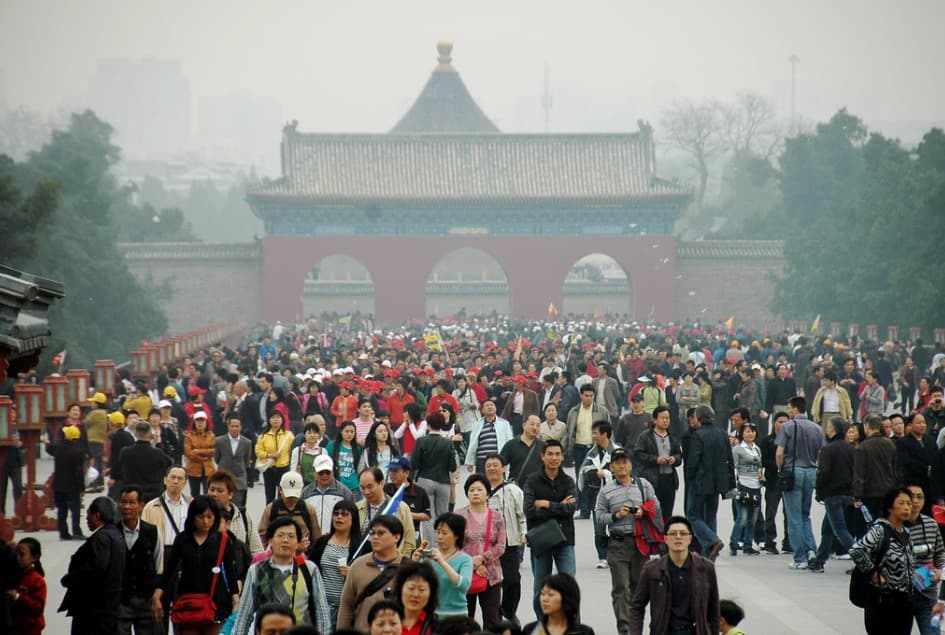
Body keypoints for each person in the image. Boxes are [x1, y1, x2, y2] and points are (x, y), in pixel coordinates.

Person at [151, 495, 241, 635]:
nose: (205, 521)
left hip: (215, 600)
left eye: (209, 517)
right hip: (188, 600)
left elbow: (231, 572)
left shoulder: (222, 541)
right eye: (200, 517)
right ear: (192, 517)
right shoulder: (182, 539)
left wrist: (235, 600)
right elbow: (169, 570)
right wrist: (157, 595)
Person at [594, 448, 659, 635]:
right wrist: (616, 515)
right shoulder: (606, 491)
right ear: (612, 467)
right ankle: (625, 629)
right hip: (618, 544)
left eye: (625, 462)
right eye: (617, 463)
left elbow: (656, 506)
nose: (622, 466)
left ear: (631, 465)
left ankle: (636, 625)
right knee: (621, 588)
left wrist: (642, 511)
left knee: (639, 589)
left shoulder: (643, 485)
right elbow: (598, 517)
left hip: (640, 543)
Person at [233, 516, 333, 634]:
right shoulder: (256, 570)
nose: (285, 540)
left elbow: (322, 613)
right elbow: (244, 615)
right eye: (280, 536)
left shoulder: (309, 569)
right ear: (270, 541)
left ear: (298, 542)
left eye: (291, 536)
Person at [628, 515, 720, 635]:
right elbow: (636, 607)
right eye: (673, 534)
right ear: (665, 539)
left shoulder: (705, 568)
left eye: (683, 533)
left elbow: (714, 608)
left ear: (690, 538)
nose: (678, 537)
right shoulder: (652, 569)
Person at [848, 487, 915, 635]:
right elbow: (857, 550)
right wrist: (872, 572)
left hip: (904, 601)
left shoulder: (906, 533)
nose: (907, 507)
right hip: (882, 600)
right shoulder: (880, 530)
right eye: (902, 503)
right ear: (890, 507)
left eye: (909, 504)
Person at [523, 440, 577, 618]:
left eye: (557, 454)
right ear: (542, 456)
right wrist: (558, 507)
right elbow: (529, 510)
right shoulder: (532, 480)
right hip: (541, 539)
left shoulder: (568, 481)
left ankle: (571, 626)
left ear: (562, 457)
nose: (554, 458)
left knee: (569, 585)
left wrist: (546, 504)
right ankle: (543, 624)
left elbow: (571, 509)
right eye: (550, 454)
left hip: (565, 538)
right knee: (541, 588)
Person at [59, 496, 126, 635]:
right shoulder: (116, 535)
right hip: (109, 608)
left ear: (97, 515)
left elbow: (97, 568)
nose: (87, 518)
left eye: (88, 514)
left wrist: (71, 579)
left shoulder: (101, 538)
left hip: (94, 610)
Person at [776, 396, 825, 569]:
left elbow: (780, 453)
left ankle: (799, 558)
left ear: (795, 409)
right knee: (805, 515)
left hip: (793, 471)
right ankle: (811, 550)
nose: (788, 411)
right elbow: (821, 452)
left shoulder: (787, 427)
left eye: (789, 408)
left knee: (794, 516)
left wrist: (780, 469)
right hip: (811, 471)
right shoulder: (817, 428)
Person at [337, 515, 406, 632]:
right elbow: (346, 605)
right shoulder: (358, 566)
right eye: (372, 533)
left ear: (396, 537)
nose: (375, 537)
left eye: (381, 533)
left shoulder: (407, 568)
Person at [457, 474, 506, 630]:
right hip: (464, 574)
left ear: (487, 493)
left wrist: (482, 559)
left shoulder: (497, 517)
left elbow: (500, 546)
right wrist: (473, 564)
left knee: (492, 619)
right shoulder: (458, 516)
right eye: (471, 490)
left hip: (491, 575)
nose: (475, 493)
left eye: (479, 489)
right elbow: (454, 545)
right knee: (465, 619)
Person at [684, 405, 732, 561]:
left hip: (700, 481)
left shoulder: (698, 435)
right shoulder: (722, 433)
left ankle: (712, 541)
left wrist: (689, 477)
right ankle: (709, 552)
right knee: (711, 514)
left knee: (693, 514)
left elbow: (693, 461)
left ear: (698, 418)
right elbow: (729, 458)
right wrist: (730, 480)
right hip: (717, 482)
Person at [809, 417, 856, 573]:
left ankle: (862, 559)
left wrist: (819, 492)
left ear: (834, 430)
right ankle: (819, 560)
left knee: (840, 530)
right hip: (846, 494)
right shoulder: (851, 449)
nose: (826, 429)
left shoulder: (828, 449)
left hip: (832, 494)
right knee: (828, 528)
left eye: (828, 426)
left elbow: (823, 473)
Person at [484, 454, 527, 624]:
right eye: (489, 465)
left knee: (512, 580)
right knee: (489, 584)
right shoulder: (481, 489)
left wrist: (524, 532)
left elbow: (522, 514)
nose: (492, 468)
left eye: (496, 465)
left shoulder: (513, 490)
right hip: (486, 546)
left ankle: (509, 612)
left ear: (503, 468)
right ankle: (493, 618)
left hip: (509, 542)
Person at [116, 485, 163, 635]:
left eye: (132, 502)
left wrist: (156, 596)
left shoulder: (152, 532)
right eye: (123, 502)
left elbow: (159, 565)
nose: (127, 507)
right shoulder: (112, 532)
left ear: (141, 505)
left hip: (146, 599)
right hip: (122, 600)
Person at [308, 499, 362, 626]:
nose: (339, 517)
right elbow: (310, 569)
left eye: (344, 514)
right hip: (321, 605)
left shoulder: (360, 546)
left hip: (346, 608)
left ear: (353, 518)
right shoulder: (322, 542)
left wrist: (352, 573)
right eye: (336, 513)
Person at [904, 483, 945, 635]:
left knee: (933, 632)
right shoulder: (894, 525)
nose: (915, 501)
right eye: (911, 497)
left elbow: (940, 552)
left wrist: (941, 569)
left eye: (919, 497)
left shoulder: (931, 524)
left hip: (929, 595)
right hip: (901, 596)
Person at [411, 411, 456, 542]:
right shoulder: (448, 443)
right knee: (443, 514)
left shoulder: (421, 441)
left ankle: (430, 545)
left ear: (428, 425)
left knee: (427, 515)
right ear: (442, 424)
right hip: (444, 481)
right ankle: (444, 543)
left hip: (425, 479)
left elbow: (414, 464)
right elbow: (452, 467)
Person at [634, 405, 682, 525]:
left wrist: (674, 459)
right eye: (662, 418)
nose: (665, 421)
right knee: (653, 512)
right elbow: (638, 454)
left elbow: (679, 455)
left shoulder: (672, 437)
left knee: (667, 513)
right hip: (653, 479)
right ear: (654, 420)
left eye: (667, 418)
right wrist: (656, 460)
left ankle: (665, 538)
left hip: (669, 479)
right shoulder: (645, 436)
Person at [356, 467, 417, 557]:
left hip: (391, 564)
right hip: (362, 562)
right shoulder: (357, 508)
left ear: (382, 483)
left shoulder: (401, 508)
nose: (366, 492)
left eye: (370, 487)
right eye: (362, 488)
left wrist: (399, 563)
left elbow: (409, 541)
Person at [257, 471, 322, 550]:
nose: (292, 500)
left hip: (303, 556)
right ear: (280, 490)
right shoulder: (271, 509)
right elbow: (262, 534)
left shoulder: (308, 509)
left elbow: (317, 537)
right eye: (289, 496)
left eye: (295, 496)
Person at [853, 413, 898, 525]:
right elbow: (895, 469)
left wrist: (857, 496)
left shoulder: (863, 447)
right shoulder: (890, 444)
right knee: (886, 525)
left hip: (870, 494)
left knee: (871, 528)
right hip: (888, 492)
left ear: (866, 426)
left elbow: (859, 474)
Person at [207, 469, 265, 554]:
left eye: (220, 491)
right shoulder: (201, 516)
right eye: (212, 490)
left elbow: (257, 550)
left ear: (230, 494)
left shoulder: (243, 516)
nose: (214, 494)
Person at [521, 572, 595, 635]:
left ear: (566, 598)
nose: (544, 599)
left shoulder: (582, 632)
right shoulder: (531, 630)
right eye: (542, 594)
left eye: (551, 595)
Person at [48, 424, 87, 540]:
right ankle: (76, 531)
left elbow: (49, 447)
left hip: (58, 485)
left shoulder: (58, 448)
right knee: (75, 510)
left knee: (62, 510)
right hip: (72, 486)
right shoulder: (78, 452)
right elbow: (78, 472)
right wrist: (82, 488)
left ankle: (63, 533)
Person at [729, 422, 763, 556]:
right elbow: (734, 468)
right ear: (742, 434)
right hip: (743, 484)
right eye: (748, 431)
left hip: (756, 485)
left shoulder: (757, 449)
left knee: (752, 518)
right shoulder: (737, 449)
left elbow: (760, 465)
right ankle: (734, 542)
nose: (751, 434)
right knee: (741, 517)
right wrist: (736, 484)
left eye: (753, 431)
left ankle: (748, 545)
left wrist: (761, 475)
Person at [300, 454, 355, 535]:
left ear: (332, 471)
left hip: (337, 540)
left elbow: (352, 518)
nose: (324, 475)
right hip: (312, 542)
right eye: (321, 473)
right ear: (314, 471)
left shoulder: (344, 492)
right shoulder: (305, 493)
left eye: (327, 472)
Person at [120, 421, 173, 503]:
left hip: (132, 493)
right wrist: (159, 443)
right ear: (150, 434)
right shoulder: (157, 453)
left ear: (135, 433)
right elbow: (169, 463)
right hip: (153, 494)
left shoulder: (125, 452)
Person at [385, 456, 432, 535]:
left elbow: (427, 515)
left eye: (395, 471)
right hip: (389, 533)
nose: (391, 474)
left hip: (411, 533)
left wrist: (408, 515)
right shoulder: (386, 489)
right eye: (390, 470)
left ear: (406, 473)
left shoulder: (419, 492)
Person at [214, 416, 253, 509]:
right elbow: (217, 458)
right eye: (232, 426)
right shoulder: (219, 441)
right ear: (228, 426)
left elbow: (246, 461)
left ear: (240, 427)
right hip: (223, 478)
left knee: (236, 507)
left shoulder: (247, 443)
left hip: (239, 480)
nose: (234, 428)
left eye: (237, 426)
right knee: (221, 506)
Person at [465, 400, 514, 475]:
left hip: (498, 460)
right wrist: (470, 461)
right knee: (482, 484)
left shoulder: (504, 424)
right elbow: (472, 443)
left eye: (492, 405)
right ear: (482, 410)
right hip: (482, 461)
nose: (490, 407)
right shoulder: (477, 425)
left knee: (499, 484)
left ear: (495, 408)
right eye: (487, 405)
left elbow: (510, 442)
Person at [392, 559, 440, 634]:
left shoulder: (436, 627)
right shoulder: (387, 622)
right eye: (411, 588)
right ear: (400, 589)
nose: (415, 594)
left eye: (421, 590)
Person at [9, 537, 46, 635]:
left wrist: (18, 597)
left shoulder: (37, 580)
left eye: (22, 554)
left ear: (34, 557)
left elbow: (38, 607)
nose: (18, 558)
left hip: (31, 629)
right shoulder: (14, 575)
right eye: (16, 554)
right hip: (15, 627)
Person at [256, 410, 293, 504]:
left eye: (278, 417)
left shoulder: (288, 435)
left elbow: (293, 451)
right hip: (269, 468)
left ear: (282, 420)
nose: (275, 420)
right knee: (269, 496)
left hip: (284, 467)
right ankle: (270, 515)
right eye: (273, 417)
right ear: (269, 420)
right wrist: (269, 455)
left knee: (283, 495)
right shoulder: (263, 436)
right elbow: (258, 451)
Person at [500, 414, 546, 487]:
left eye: (538, 425)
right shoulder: (511, 444)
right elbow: (500, 464)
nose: (535, 427)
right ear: (524, 425)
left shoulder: (543, 446)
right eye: (532, 424)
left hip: (537, 489)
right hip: (516, 489)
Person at [328, 420, 363, 500]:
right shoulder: (332, 446)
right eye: (347, 431)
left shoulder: (358, 448)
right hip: (337, 485)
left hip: (353, 486)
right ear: (341, 431)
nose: (349, 434)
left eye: (352, 432)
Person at [184, 410, 217, 496]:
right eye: (198, 421)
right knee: (195, 494)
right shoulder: (189, 436)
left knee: (209, 493)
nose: (200, 423)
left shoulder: (211, 435)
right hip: (193, 469)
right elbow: (189, 453)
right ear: (194, 422)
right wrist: (203, 458)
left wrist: (198, 451)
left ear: (206, 422)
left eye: (202, 421)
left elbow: (214, 451)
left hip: (208, 469)